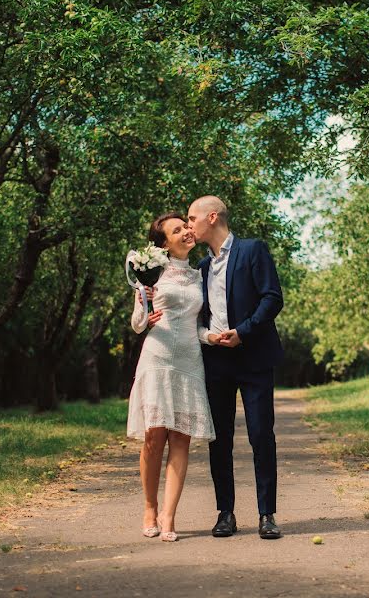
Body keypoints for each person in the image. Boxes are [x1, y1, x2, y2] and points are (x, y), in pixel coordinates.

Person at [187, 195, 285, 539]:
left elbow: (272, 297)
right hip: (216, 362)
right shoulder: (199, 267)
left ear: (212, 217)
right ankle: (225, 513)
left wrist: (243, 332)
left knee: (261, 436)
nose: (189, 225)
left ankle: (267, 514)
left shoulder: (252, 249)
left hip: (254, 357)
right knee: (220, 440)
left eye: (192, 218)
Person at [127, 212, 215, 542]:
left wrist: (212, 338)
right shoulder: (152, 273)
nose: (186, 232)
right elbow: (138, 323)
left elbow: (197, 326)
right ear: (165, 243)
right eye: (177, 230)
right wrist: (143, 308)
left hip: (189, 362)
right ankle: (150, 507)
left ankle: (169, 516)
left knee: (181, 439)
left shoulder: (198, 275)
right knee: (154, 437)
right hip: (158, 359)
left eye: (186, 226)